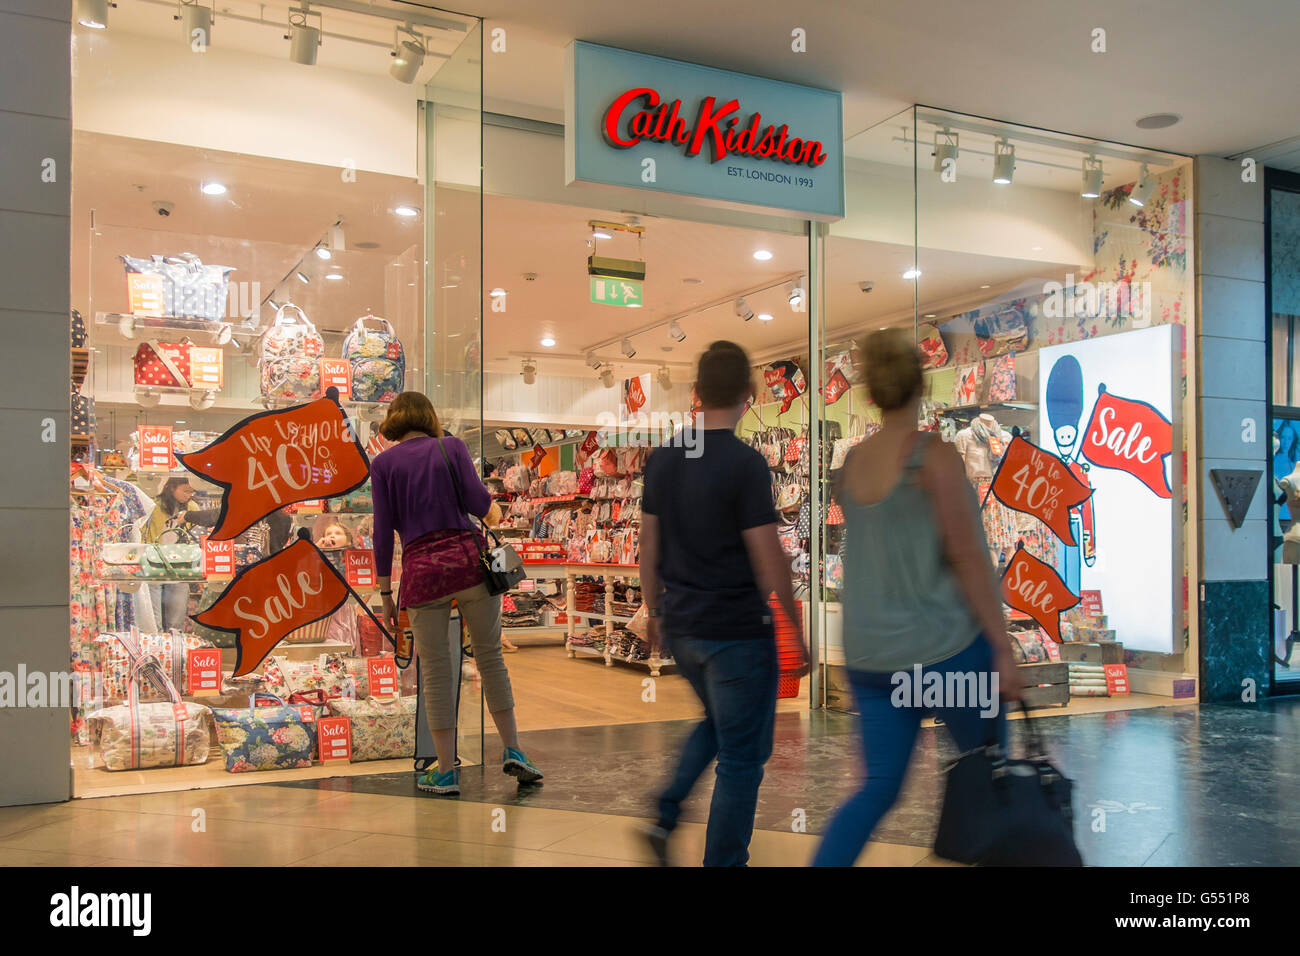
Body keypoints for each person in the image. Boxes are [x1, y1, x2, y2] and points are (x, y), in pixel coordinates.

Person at [811, 329, 1022, 867]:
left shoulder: (852, 466)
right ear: (921, 382)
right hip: (943, 650)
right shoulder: (933, 458)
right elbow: (971, 559)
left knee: (878, 788)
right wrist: (1001, 646)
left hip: (872, 657)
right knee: (986, 769)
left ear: (870, 393)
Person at [639, 340, 807, 867]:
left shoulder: (665, 458)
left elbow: (649, 544)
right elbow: (767, 555)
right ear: (749, 394)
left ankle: (665, 815)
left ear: (696, 393)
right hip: (737, 632)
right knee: (742, 757)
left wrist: (652, 611)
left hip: (684, 627)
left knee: (717, 726)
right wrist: (796, 631)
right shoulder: (746, 464)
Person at [371, 391, 542, 796]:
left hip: (421, 572)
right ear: (430, 416)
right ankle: (514, 748)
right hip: (469, 564)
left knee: (435, 669)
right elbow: (480, 503)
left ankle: (445, 770)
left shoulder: (383, 464)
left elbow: (382, 533)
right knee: (490, 656)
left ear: (394, 420)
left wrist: (384, 593)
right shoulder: (452, 447)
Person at [142, 476, 218, 630]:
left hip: (181, 564)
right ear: (171, 488)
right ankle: (157, 645)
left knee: (176, 617)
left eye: (191, 492)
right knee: (153, 616)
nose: (188, 495)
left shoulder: (193, 507)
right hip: (155, 562)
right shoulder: (154, 506)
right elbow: (145, 531)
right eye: (185, 491)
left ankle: (175, 645)